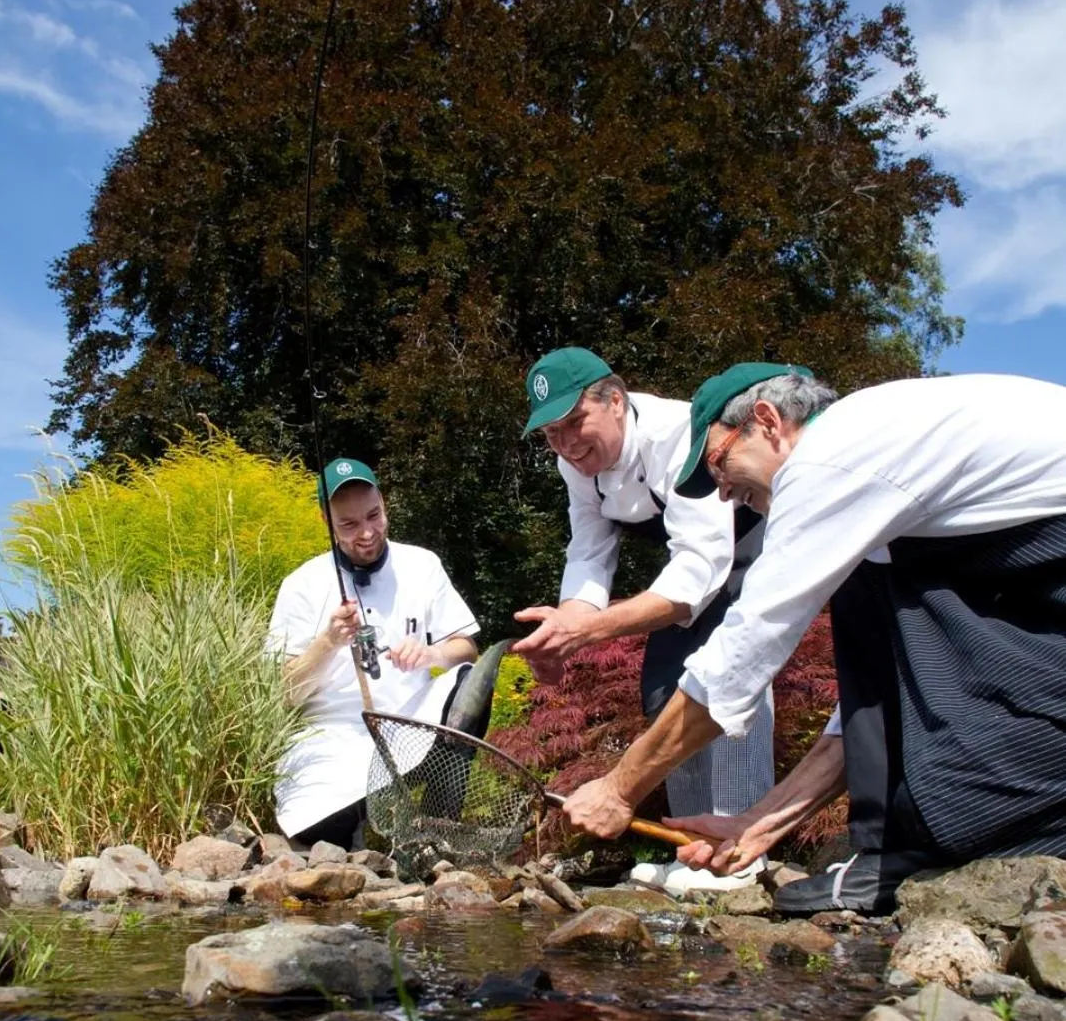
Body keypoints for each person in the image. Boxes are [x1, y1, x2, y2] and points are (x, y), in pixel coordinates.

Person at [560, 363, 1066, 915]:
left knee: (877, 608)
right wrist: (760, 824)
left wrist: (619, 788)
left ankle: (940, 849)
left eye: (719, 464)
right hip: (1033, 560)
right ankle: (899, 852)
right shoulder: (875, 481)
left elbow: (745, 651)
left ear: (767, 421)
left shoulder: (830, 457)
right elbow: (875, 692)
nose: (724, 493)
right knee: (871, 601)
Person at [512, 346, 775, 893]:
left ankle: (742, 857)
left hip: (752, 549)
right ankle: (695, 854)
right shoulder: (573, 464)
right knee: (665, 688)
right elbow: (589, 554)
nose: (566, 443)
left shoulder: (675, 433)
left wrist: (590, 629)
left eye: (575, 422)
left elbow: (703, 565)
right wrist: (562, 634)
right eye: (552, 433)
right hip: (691, 564)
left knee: (730, 678)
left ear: (616, 399)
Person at [267, 458, 480, 850]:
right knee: (318, 835)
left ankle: (437, 829)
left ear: (384, 504)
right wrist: (327, 643)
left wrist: (431, 654)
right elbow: (284, 692)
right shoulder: (300, 586)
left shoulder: (422, 564)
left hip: (412, 723)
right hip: (333, 737)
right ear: (326, 522)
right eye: (348, 525)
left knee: (470, 682)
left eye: (374, 516)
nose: (366, 533)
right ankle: (358, 822)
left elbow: (466, 649)